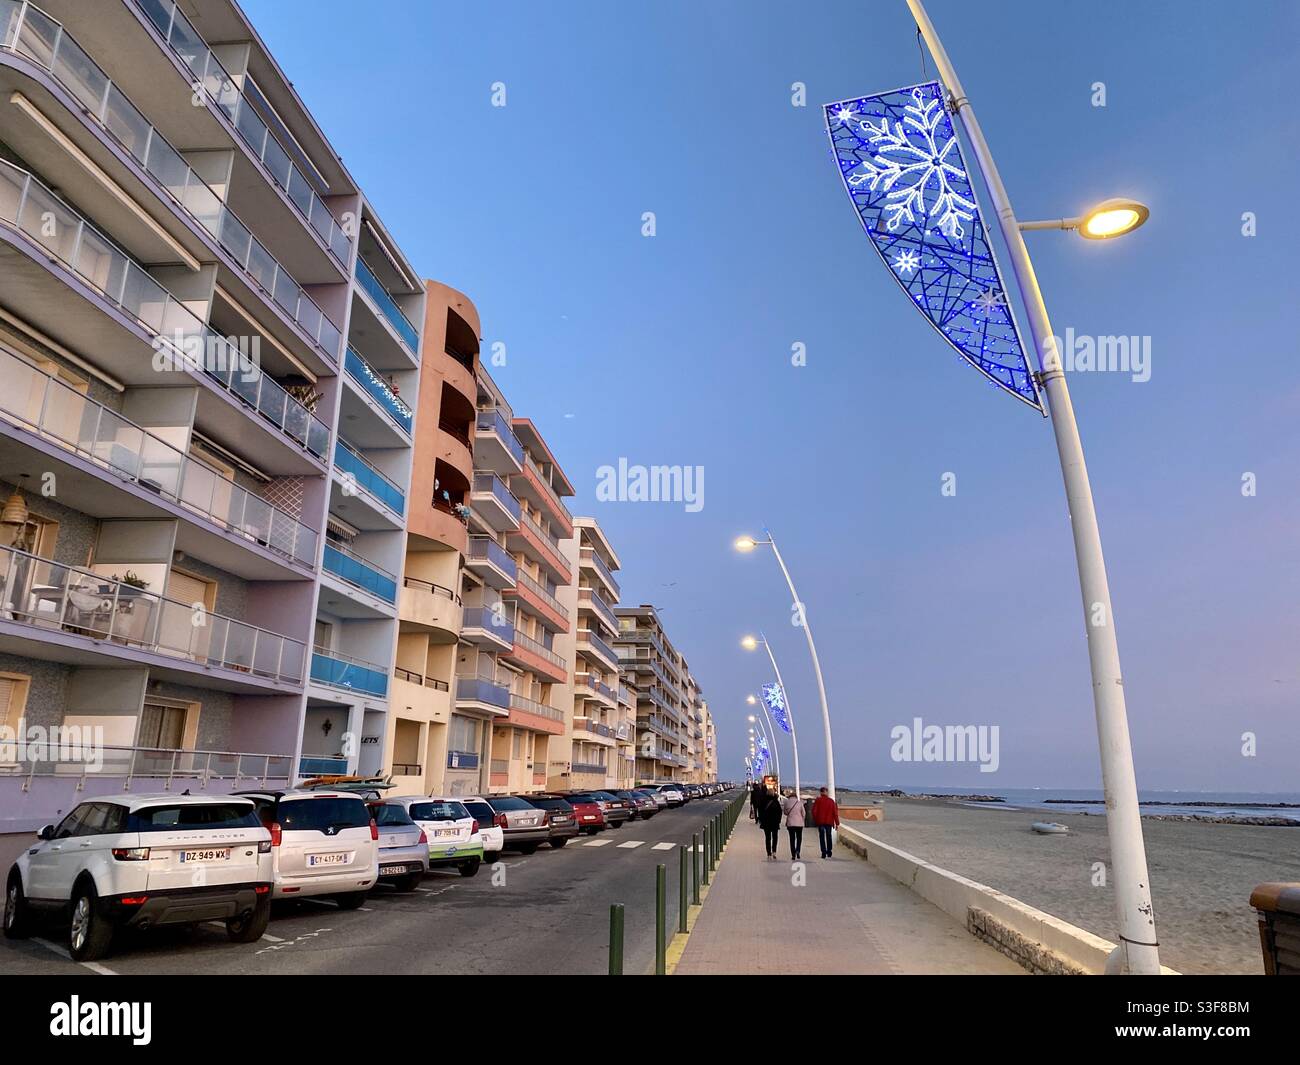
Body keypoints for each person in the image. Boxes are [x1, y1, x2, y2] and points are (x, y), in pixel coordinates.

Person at [811, 787, 840, 859]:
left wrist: (816, 820)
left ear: (821, 792)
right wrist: (837, 823)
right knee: (828, 836)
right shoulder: (831, 801)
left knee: (822, 837)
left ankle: (823, 852)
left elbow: (814, 811)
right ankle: (829, 851)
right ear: (826, 792)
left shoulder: (818, 800)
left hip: (820, 822)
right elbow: (835, 813)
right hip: (829, 822)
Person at [757, 787, 782, 860]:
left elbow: (760, 811)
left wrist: (761, 820)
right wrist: (778, 821)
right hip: (775, 823)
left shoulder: (763, 801)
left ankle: (768, 853)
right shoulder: (776, 801)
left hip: (766, 822)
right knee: (775, 837)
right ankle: (774, 851)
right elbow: (779, 812)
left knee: (768, 838)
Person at [780, 788, 805, 860]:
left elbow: (785, 812)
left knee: (792, 839)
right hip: (799, 824)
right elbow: (804, 813)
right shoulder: (800, 803)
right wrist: (802, 819)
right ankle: (798, 851)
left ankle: (793, 854)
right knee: (799, 838)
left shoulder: (787, 803)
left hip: (790, 823)